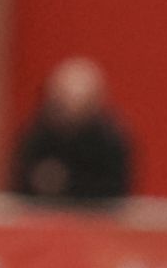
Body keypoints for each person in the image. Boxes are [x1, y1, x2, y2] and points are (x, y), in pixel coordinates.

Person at [8, 58, 133, 205]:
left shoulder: (110, 142)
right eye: (64, 99)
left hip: (95, 222)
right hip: (43, 220)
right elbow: (19, 186)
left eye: (80, 100)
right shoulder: (36, 137)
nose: (71, 108)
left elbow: (117, 193)